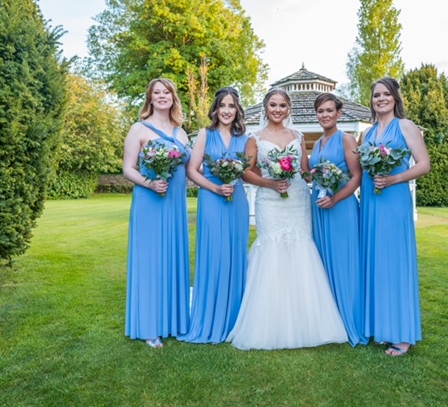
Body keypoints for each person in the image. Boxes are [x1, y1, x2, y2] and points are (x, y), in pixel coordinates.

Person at [226, 87, 348, 350]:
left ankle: (307, 321)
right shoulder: (255, 138)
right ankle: (268, 322)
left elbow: (305, 171)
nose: (277, 110)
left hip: (297, 199)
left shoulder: (298, 135)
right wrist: (269, 184)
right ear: (265, 108)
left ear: (289, 109)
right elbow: (246, 173)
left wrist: (327, 175)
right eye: (273, 105)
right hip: (270, 201)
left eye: (282, 105)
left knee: (301, 248)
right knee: (272, 248)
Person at [359, 77, 431, 356]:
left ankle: (401, 335)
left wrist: (396, 178)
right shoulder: (368, 133)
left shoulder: (406, 126)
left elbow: (424, 165)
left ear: (395, 98)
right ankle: (383, 327)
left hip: (393, 200)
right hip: (371, 201)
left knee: (395, 263)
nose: (381, 99)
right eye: (376, 95)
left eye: (386, 94)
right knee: (376, 262)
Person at [123, 78, 191, 348]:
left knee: (172, 257)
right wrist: (150, 183)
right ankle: (150, 327)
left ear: (174, 97)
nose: (162, 96)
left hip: (175, 203)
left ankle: (174, 322)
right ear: (150, 98)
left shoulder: (181, 132)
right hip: (150, 201)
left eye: (167, 92)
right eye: (157, 93)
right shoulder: (138, 129)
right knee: (150, 261)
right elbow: (128, 168)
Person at [178, 87, 250, 343]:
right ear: (216, 110)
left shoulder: (245, 138)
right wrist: (215, 187)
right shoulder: (205, 135)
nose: (227, 111)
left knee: (235, 254)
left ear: (237, 110)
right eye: (223, 106)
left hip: (237, 201)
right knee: (215, 254)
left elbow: (250, 172)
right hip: (211, 198)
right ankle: (209, 317)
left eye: (232, 106)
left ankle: (235, 319)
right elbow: (192, 170)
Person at [310, 93, 365, 347]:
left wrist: (336, 199)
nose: (325, 115)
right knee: (324, 262)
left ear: (339, 113)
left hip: (341, 209)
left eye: (329, 110)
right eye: (321, 111)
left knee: (345, 263)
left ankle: (351, 320)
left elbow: (356, 177)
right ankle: (331, 321)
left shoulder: (347, 139)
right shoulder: (318, 142)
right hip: (320, 209)